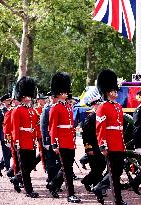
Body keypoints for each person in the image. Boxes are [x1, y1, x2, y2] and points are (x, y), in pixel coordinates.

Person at [94, 69, 128, 205]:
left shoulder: (118, 107)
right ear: (107, 92)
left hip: (118, 143)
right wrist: (103, 145)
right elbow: (100, 128)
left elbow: (120, 128)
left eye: (116, 90)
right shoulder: (102, 107)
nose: (115, 93)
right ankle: (117, 200)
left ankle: (99, 187)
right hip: (110, 144)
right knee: (114, 174)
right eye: (113, 91)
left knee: (118, 171)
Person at [47, 72, 80, 203]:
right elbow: (53, 127)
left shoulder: (67, 107)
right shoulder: (55, 108)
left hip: (69, 141)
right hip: (61, 141)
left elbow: (68, 124)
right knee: (67, 170)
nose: (66, 94)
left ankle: (53, 184)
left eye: (66, 92)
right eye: (63, 92)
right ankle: (70, 194)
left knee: (67, 167)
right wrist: (54, 143)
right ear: (58, 93)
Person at [11, 76, 39, 198]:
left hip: (31, 141)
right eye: (26, 96)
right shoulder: (17, 110)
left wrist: (36, 138)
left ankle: (16, 178)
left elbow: (35, 126)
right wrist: (16, 141)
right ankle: (29, 190)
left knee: (31, 165)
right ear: (22, 97)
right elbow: (15, 128)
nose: (29, 98)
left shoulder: (32, 111)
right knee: (25, 168)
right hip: (22, 141)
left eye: (29, 95)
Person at [81, 97, 106, 192]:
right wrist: (88, 149)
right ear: (94, 105)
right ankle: (98, 188)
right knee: (96, 169)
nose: (100, 106)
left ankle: (87, 181)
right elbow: (86, 136)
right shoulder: (90, 118)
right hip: (93, 147)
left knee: (101, 167)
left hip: (99, 146)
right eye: (98, 104)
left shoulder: (100, 116)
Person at [40, 91, 62, 198]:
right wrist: (46, 142)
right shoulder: (47, 109)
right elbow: (44, 127)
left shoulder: (58, 107)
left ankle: (55, 182)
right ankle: (51, 181)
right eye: (55, 97)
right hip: (49, 140)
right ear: (51, 98)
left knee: (59, 163)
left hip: (58, 140)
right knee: (51, 163)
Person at [0, 93, 12, 176]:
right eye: (7, 100)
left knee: (10, 152)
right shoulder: (1, 111)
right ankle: (8, 170)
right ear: (4, 102)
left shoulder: (11, 109)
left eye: (9, 100)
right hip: (3, 135)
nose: (9, 101)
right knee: (6, 153)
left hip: (10, 134)